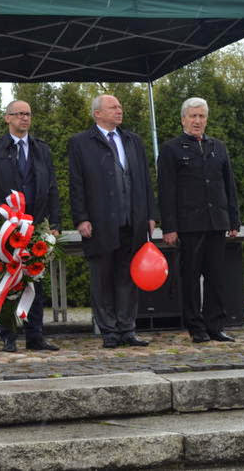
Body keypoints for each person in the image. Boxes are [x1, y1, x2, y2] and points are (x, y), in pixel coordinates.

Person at [68, 95, 156, 349]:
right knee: (103, 279)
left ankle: (127, 329)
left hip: (132, 220)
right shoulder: (81, 142)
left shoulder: (132, 140)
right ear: (97, 113)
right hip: (100, 222)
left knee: (128, 278)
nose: (119, 110)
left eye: (120, 106)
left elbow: (145, 179)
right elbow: (76, 183)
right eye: (113, 107)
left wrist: (150, 214)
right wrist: (81, 218)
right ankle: (109, 330)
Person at [0, 100, 61, 353]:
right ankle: (8, 336)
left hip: (35, 225)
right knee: (7, 280)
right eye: (19, 114)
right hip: (6, 227)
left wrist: (55, 222)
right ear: (7, 118)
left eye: (28, 114)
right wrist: (2, 211)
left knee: (36, 278)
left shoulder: (41, 149)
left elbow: (52, 187)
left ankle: (35, 336)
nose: (24, 118)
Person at [158, 97, 240, 343]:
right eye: (193, 116)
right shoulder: (171, 149)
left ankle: (215, 325)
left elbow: (229, 186)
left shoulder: (218, 147)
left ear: (206, 119)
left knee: (216, 277)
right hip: (189, 225)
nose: (197, 121)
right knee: (191, 277)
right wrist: (169, 226)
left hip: (216, 222)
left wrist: (233, 220)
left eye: (201, 116)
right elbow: (166, 190)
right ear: (183, 119)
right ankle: (196, 327)